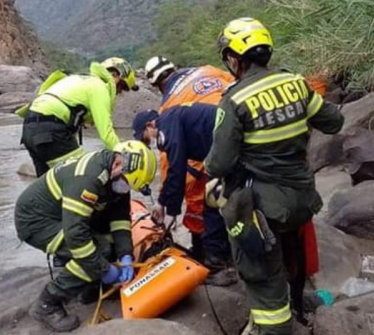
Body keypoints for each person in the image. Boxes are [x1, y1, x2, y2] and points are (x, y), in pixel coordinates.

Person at [205, 17, 344, 335]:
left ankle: (275, 325)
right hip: (303, 199)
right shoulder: (295, 82)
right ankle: (298, 305)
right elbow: (333, 122)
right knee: (294, 255)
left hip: (264, 208)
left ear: (233, 58)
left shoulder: (234, 100)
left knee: (262, 273)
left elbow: (217, 165)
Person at [15, 140, 157, 332]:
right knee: (96, 252)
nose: (126, 189)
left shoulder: (117, 176)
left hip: (64, 216)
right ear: (117, 164)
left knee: (111, 246)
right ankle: (48, 303)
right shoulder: (88, 179)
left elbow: (120, 220)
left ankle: (88, 289)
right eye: (126, 183)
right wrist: (103, 270)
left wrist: (126, 255)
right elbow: (77, 238)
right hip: (36, 220)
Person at [132, 104, 235, 285]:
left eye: (146, 138)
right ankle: (226, 255)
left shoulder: (166, 129)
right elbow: (174, 170)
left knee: (211, 205)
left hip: (224, 150)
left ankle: (216, 265)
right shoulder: (172, 119)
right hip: (225, 146)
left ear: (150, 125)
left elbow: (178, 171)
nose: (149, 143)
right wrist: (161, 202)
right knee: (219, 203)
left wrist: (171, 213)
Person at [141, 56, 234, 252]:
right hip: (239, 124)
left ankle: (212, 256)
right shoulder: (207, 69)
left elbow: (173, 165)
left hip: (217, 147)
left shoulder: (168, 110)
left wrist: (167, 206)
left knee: (204, 200)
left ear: (157, 84)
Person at [21, 57, 139, 177]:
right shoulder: (99, 87)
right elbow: (106, 133)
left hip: (29, 128)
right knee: (83, 176)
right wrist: (125, 157)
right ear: (115, 75)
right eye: (122, 87)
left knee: (48, 186)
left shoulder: (80, 79)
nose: (120, 92)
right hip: (49, 129)